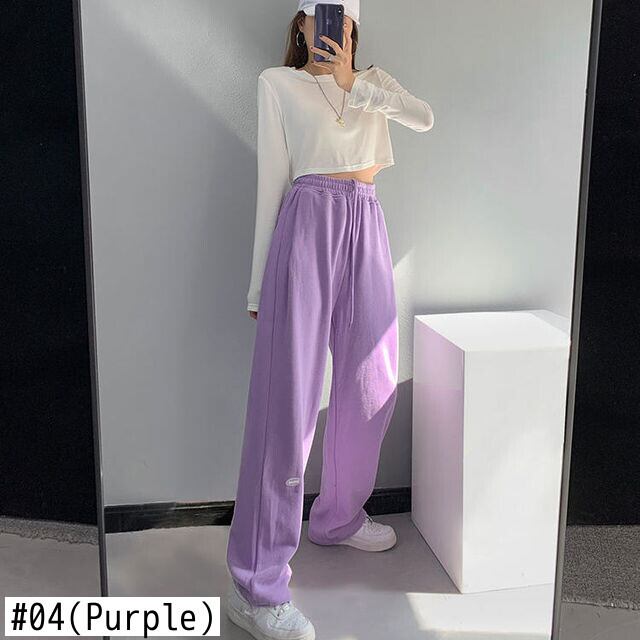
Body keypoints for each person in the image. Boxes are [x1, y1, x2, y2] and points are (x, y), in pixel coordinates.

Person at [225, 1, 434, 638]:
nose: (329, 29)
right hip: (307, 224)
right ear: (300, 24)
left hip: (366, 220)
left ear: (351, 28)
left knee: (372, 385)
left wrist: (354, 83)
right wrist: (258, 282)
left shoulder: (374, 84)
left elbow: (424, 118)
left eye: (340, 20)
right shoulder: (277, 83)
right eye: (319, 17)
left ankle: (338, 518)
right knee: (286, 404)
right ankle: (256, 587)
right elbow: (271, 182)